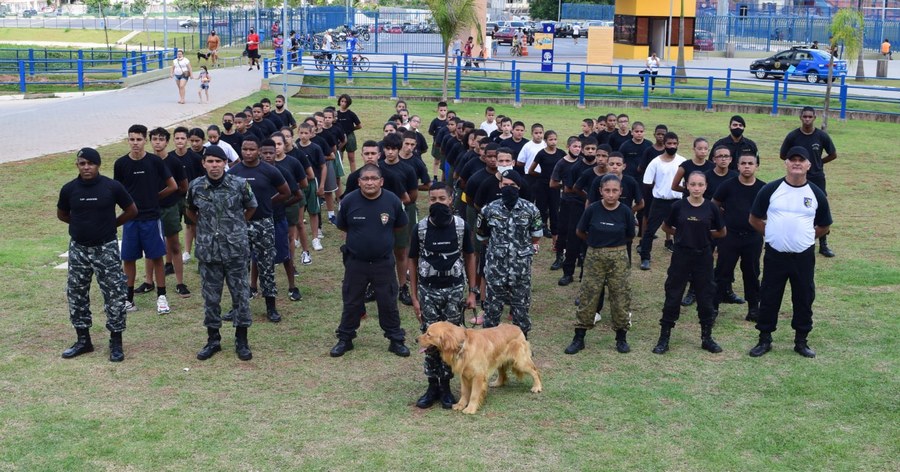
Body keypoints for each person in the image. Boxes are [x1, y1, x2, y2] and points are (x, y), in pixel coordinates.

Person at [748, 146, 832, 359]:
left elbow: (824, 225)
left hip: (803, 257)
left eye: (801, 160)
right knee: (769, 296)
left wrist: (806, 238)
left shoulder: (816, 193)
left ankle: (801, 341)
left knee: (804, 297)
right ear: (785, 163)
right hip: (775, 255)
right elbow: (754, 219)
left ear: (808, 165)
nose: (796, 163)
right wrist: (773, 234)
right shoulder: (771, 189)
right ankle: (764, 339)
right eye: (792, 159)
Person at [58, 148, 138, 362]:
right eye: (82, 163)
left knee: (114, 294)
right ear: (77, 165)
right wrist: (81, 225)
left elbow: (132, 210)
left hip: (106, 249)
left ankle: (116, 342)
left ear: (98, 165)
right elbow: (62, 214)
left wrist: (111, 225)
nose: (86, 167)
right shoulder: (69, 189)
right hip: (79, 249)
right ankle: (83, 340)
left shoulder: (112, 187)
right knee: (76, 293)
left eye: (90, 163)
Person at [186, 145, 258, 362]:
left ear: (225, 163)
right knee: (211, 298)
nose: (214, 166)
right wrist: (205, 227)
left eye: (218, 161)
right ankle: (213, 340)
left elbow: (251, 206)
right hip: (209, 252)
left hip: (235, 251)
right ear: (204, 164)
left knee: (241, 296)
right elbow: (190, 209)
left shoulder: (239, 184)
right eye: (210, 161)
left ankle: (241, 340)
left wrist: (237, 226)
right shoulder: (196, 186)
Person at [330, 164, 411, 358]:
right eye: (365, 179)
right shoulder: (349, 201)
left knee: (388, 302)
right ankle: (345, 339)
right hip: (356, 262)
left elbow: (399, 226)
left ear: (381, 181)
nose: (369, 182)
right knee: (351, 301)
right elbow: (343, 226)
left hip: (383, 262)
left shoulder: (392, 200)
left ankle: (396, 340)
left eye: (373, 178)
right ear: (359, 182)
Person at [409, 182, 477, 409]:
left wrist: (472, 292)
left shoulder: (461, 226)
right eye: (432, 199)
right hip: (428, 291)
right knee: (429, 340)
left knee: (451, 342)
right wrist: (415, 297)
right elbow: (412, 260)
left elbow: (470, 256)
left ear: (451, 200)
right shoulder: (420, 228)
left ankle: (446, 387)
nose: (437, 203)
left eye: (441, 199)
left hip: (454, 290)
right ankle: (432, 386)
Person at [651, 172, 726, 355]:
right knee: (673, 295)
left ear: (706, 186)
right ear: (687, 186)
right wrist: (682, 235)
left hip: (703, 256)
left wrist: (705, 236)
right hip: (681, 255)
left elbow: (721, 231)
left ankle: (707, 338)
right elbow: (666, 226)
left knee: (705, 296)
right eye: (693, 184)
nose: (696, 188)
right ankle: (664, 338)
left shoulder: (711, 207)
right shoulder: (678, 206)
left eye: (700, 184)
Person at [564, 174, 635, 355]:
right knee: (588, 295)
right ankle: (579, 338)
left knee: (620, 296)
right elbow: (580, 231)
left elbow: (630, 235)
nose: (611, 194)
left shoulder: (626, 211)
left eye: (614, 191)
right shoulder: (593, 209)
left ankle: (621, 338)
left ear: (620, 191)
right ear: (600, 191)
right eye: (607, 190)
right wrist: (595, 243)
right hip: (594, 255)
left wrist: (613, 246)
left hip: (618, 256)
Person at [114, 125, 177, 315]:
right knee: (128, 259)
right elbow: (117, 191)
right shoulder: (120, 163)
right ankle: (128, 299)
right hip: (130, 220)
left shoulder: (154, 162)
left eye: (139, 139)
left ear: (145, 141)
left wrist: (154, 198)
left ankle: (162, 297)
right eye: (132, 139)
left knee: (156, 257)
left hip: (151, 218)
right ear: (128, 140)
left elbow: (173, 186)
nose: (135, 143)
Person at [229, 137, 292, 323]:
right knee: (239, 266)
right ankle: (237, 307)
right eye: (244, 149)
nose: (248, 153)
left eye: (252, 149)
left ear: (258, 151)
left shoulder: (269, 170)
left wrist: (266, 203)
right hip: (241, 224)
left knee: (266, 265)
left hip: (264, 223)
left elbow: (286, 192)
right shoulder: (234, 172)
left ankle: (271, 307)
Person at [476, 170, 543, 337]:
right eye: (505, 184)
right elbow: (482, 237)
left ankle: (522, 344)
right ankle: (490, 347)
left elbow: (536, 235)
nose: (509, 188)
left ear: (519, 187)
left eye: (512, 185)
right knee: (492, 312)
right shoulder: (488, 210)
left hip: (520, 269)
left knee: (521, 312)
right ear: (500, 185)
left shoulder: (531, 209)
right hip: (496, 269)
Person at [713, 152, 766, 322]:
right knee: (722, 271)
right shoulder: (727, 185)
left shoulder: (763, 188)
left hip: (753, 237)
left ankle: (753, 309)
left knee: (752, 273)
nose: (747, 166)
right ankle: (713, 308)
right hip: (730, 236)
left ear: (756, 166)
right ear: (737, 166)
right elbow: (714, 205)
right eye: (743, 163)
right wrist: (722, 223)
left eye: (750, 163)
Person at [779, 106, 838, 257]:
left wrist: (819, 162)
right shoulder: (793, 136)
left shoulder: (821, 136)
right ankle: (788, 238)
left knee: (820, 208)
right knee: (793, 206)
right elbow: (783, 154)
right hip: (796, 178)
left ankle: (823, 245)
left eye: (810, 117)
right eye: (804, 116)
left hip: (817, 177)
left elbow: (833, 154)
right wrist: (796, 165)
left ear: (814, 118)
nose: (807, 119)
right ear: (800, 117)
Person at [638, 131, 686, 270]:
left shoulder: (683, 161)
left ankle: (681, 258)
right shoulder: (655, 162)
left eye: (674, 143)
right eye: (669, 143)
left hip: (677, 202)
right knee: (650, 230)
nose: (672, 146)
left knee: (681, 231)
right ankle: (645, 257)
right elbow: (647, 183)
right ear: (664, 144)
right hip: (659, 201)